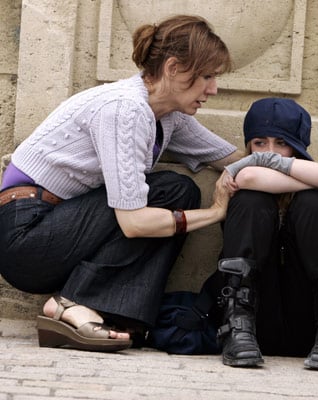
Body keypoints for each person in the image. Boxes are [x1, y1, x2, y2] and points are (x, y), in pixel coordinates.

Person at [0, 15, 243, 353]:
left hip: (60, 228)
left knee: (179, 190)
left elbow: (237, 161)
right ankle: (70, 305)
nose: (213, 89)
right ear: (173, 68)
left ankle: (101, 309)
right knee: (167, 195)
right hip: (27, 238)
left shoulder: (167, 115)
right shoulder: (124, 110)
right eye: (207, 76)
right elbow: (133, 223)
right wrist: (215, 213)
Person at [211, 97, 318, 371]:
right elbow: (250, 177)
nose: (270, 153)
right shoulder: (239, 177)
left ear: (298, 148)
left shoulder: (311, 193)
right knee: (252, 199)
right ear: (249, 146)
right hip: (251, 324)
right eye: (260, 144)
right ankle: (236, 327)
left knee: (314, 203)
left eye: (282, 143)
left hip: (307, 324)